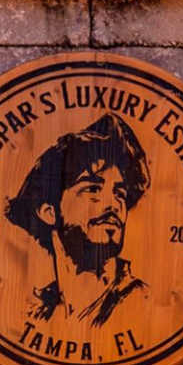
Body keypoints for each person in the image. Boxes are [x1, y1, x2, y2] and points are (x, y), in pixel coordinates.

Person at [10, 113, 151, 329]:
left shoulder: (141, 302)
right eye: (93, 189)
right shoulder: (36, 314)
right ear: (49, 211)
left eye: (119, 193)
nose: (113, 204)